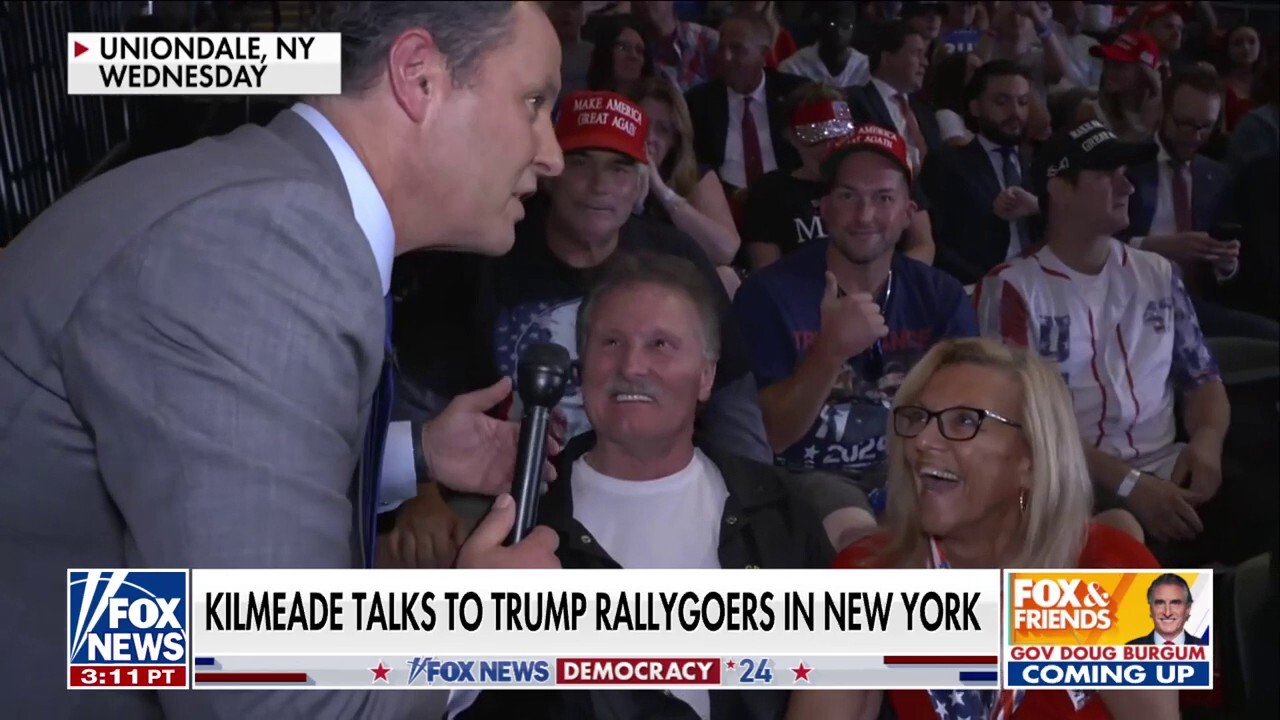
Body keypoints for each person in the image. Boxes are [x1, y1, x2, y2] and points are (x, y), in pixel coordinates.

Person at [0, 3, 564, 718]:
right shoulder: (266, 242)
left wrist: (412, 453)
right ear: (419, 77)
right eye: (534, 102)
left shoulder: (257, 195)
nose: (553, 154)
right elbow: (275, 688)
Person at [383, 91, 771, 566]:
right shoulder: (486, 253)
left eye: (619, 169)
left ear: (640, 186)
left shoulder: (676, 262)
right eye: (582, 163)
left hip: (651, 474)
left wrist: (757, 500)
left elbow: (731, 398)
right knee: (420, 554)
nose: (599, 186)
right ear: (550, 173)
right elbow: (419, 398)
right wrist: (420, 498)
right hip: (503, 483)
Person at [450, 251, 832, 719]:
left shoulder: (778, 511)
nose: (631, 366)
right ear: (581, 366)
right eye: (610, 342)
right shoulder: (518, 525)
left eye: (660, 345)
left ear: (707, 375)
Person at [787, 338, 1178, 720]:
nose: (922, 440)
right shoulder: (865, 576)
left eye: (965, 421)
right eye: (918, 417)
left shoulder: (1116, 571)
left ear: (1031, 459)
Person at [976, 121, 1275, 567]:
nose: (1128, 186)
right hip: (1070, 478)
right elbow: (1023, 423)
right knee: (1126, 538)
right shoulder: (1014, 288)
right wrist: (1132, 485)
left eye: (1126, 173)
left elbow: (1203, 378)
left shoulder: (1157, 272)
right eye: (1106, 175)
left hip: (1170, 463)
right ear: (1060, 189)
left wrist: (1208, 443)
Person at [734, 124, 976, 547]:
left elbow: (968, 418)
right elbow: (773, 435)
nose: (864, 216)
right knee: (861, 541)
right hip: (809, 475)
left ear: (908, 212)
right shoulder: (768, 293)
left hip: (914, 467)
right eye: (848, 196)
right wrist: (829, 352)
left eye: (883, 198)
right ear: (824, 207)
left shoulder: (941, 296)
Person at [1126, 573, 1209, 645]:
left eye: (1175, 603)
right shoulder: (1129, 649)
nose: (1167, 613)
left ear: (1187, 609)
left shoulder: (1207, 650)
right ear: (1151, 609)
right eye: (1160, 603)